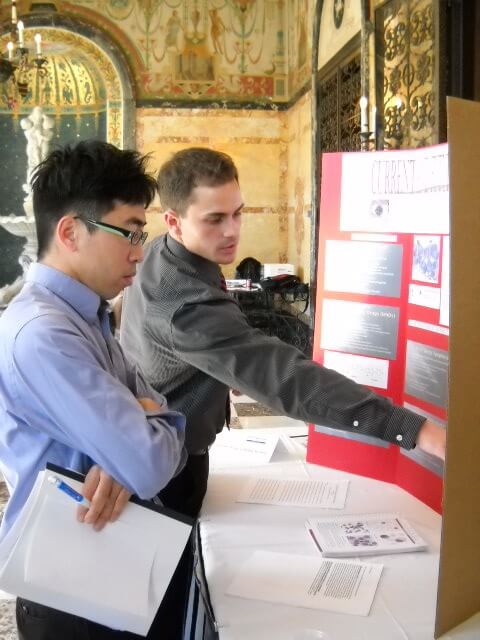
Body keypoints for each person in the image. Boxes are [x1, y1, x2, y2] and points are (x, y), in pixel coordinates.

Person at [120, 146, 447, 520]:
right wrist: (414, 429)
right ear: (174, 221)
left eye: (237, 213)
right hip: (171, 468)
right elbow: (284, 379)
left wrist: (214, 365)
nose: (232, 231)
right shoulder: (184, 303)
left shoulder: (162, 251)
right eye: (214, 219)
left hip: (157, 437)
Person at [0, 140, 187, 640]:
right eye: (128, 231)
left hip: (108, 566)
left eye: (141, 233)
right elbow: (149, 461)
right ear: (69, 231)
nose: (139, 251)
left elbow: (151, 430)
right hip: (71, 593)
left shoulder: (85, 315)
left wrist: (137, 430)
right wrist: (143, 428)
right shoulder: (45, 334)